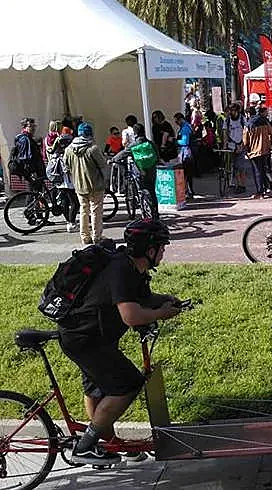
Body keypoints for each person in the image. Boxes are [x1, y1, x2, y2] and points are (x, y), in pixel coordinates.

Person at [59, 220, 181, 466]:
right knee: (127, 384)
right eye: (162, 247)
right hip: (86, 339)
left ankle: (106, 446)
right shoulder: (121, 270)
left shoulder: (129, 265)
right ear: (149, 250)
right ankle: (85, 447)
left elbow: (139, 297)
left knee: (97, 390)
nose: (164, 251)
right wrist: (160, 314)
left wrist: (163, 299)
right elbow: (131, 315)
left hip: (88, 335)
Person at [63, 123, 108, 246]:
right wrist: (106, 180)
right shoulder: (93, 148)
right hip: (95, 184)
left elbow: (65, 167)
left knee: (83, 210)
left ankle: (84, 237)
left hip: (79, 185)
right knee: (96, 210)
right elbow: (103, 165)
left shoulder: (69, 149)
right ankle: (97, 237)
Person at [112, 123, 159, 219]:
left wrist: (113, 159)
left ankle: (144, 214)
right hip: (152, 170)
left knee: (142, 191)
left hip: (140, 171)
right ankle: (155, 213)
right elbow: (157, 156)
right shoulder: (150, 143)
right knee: (152, 191)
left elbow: (122, 154)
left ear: (135, 133)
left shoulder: (133, 145)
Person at [46, 126, 79, 232]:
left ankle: (68, 221)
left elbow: (50, 151)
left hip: (58, 175)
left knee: (64, 200)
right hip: (68, 176)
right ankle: (72, 223)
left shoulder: (57, 141)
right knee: (74, 202)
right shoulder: (70, 142)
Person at [243, 106, 272, 199]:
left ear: (248, 114)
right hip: (265, 150)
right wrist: (271, 143)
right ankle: (267, 188)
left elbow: (245, 140)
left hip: (254, 151)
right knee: (263, 169)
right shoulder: (264, 121)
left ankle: (260, 192)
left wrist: (245, 149)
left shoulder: (248, 124)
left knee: (257, 171)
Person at [12, 117, 45, 187]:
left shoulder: (29, 138)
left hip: (35, 171)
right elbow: (26, 158)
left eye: (34, 126)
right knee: (33, 192)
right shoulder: (24, 139)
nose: (33, 128)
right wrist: (32, 173)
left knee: (37, 193)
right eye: (31, 126)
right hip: (33, 172)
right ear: (24, 127)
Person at [224, 103, 249, 194]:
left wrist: (242, 145)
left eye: (233, 110)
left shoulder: (242, 119)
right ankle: (239, 185)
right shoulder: (227, 120)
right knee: (235, 167)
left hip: (241, 145)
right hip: (231, 146)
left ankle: (243, 185)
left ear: (237, 111)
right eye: (230, 110)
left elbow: (246, 132)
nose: (231, 112)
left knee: (241, 167)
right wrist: (225, 143)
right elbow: (225, 132)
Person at [174, 112, 195, 198]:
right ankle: (188, 191)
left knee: (186, 173)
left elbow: (184, 142)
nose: (176, 123)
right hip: (186, 152)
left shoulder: (185, 128)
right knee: (187, 173)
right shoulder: (186, 126)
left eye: (176, 121)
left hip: (186, 153)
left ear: (180, 119)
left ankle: (189, 191)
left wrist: (175, 141)